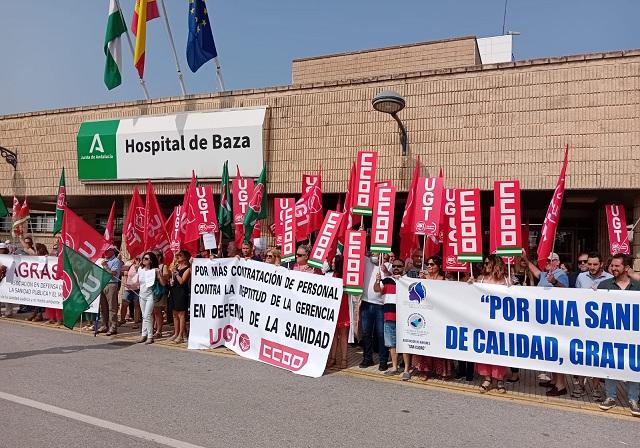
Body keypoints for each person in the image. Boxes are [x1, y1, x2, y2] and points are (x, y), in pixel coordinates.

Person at [597, 253, 640, 417]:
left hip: (633, 335)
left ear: (626, 268)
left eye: (617, 266)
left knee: (634, 364)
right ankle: (610, 396)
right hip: (610, 333)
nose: (613, 268)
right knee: (611, 364)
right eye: (612, 266)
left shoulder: (637, 285)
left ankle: (633, 399)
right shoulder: (604, 285)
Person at [525, 252, 570, 395]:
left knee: (557, 350)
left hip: (555, 317)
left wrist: (555, 282)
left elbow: (566, 291)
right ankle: (554, 380)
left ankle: (561, 385)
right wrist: (525, 259)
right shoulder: (545, 274)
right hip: (545, 317)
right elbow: (535, 271)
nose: (548, 263)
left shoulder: (560, 274)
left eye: (551, 260)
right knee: (551, 350)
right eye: (546, 260)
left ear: (557, 262)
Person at [571, 251, 612, 398]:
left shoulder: (610, 278)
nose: (592, 267)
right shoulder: (581, 277)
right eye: (589, 264)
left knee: (597, 356)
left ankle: (595, 387)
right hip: (583, 323)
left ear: (601, 264)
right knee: (581, 354)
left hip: (600, 324)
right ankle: (580, 385)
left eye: (595, 264)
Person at [472, 255, 510, 393]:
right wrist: (471, 285)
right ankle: (487, 378)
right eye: (485, 263)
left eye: (488, 263)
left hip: (501, 322)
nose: (485, 265)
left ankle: (500, 379)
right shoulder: (480, 279)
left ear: (496, 264)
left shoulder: (507, 280)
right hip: (483, 321)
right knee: (484, 348)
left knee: (500, 349)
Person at [414, 255, 454, 379]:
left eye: (432, 264)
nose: (429, 267)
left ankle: (442, 370)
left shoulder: (444, 280)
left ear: (439, 266)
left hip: (439, 316)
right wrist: (420, 280)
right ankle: (425, 370)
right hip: (425, 315)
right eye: (428, 264)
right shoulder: (422, 278)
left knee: (439, 343)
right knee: (426, 342)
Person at [375, 260, 407, 378]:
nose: (396, 268)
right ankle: (394, 367)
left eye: (399, 266)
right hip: (389, 316)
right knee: (391, 344)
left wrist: (403, 279)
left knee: (405, 343)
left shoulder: (407, 280)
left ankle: (407, 369)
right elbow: (376, 289)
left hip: (403, 318)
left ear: (403, 267)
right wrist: (378, 280)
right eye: (394, 266)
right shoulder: (387, 280)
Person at [359, 253, 389, 371]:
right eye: (372, 250)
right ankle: (367, 358)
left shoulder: (387, 265)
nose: (373, 253)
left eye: (376, 251)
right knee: (366, 333)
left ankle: (383, 360)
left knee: (381, 334)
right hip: (366, 302)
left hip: (381, 305)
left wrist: (386, 271)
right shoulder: (366, 261)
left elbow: (391, 278)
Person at [326, 255, 350, 369]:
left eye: (334, 262)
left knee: (343, 335)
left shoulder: (346, 277)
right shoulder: (330, 275)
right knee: (334, 335)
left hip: (343, 306)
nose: (332, 264)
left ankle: (344, 359)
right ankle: (333, 358)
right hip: (333, 307)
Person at [137, 252, 165, 344]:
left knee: (147, 315)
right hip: (142, 295)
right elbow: (137, 281)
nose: (144, 260)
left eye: (146, 258)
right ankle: (143, 335)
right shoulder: (140, 269)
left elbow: (163, 283)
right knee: (143, 315)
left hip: (150, 295)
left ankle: (150, 336)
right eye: (144, 258)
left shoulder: (154, 270)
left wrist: (159, 274)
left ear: (151, 261)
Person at [97, 246, 124, 336]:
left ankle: (113, 327)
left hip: (111, 284)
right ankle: (104, 325)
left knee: (112, 307)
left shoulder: (116, 261)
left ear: (112, 251)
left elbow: (113, 274)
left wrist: (105, 266)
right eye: (104, 251)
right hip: (102, 284)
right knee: (103, 307)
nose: (105, 253)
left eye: (107, 251)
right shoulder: (103, 260)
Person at [168, 250, 191, 344]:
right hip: (174, 290)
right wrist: (171, 280)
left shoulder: (188, 269)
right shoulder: (176, 266)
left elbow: (182, 281)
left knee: (181, 314)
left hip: (182, 292)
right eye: (177, 255)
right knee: (174, 313)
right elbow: (173, 279)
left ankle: (181, 335)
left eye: (180, 255)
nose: (178, 257)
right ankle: (176, 333)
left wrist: (176, 273)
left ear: (185, 257)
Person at [152, 252, 170, 339]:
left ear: (159, 257)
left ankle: (159, 331)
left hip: (159, 291)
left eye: (155, 256)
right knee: (151, 312)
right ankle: (151, 329)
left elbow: (165, 282)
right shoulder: (150, 267)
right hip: (151, 291)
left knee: (157, 311)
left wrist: (159, 274)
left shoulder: (164, 266)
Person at [120, 256, 142, 328]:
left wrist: (138, 267)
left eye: (139, 259)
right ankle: (122, 319)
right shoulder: (130, 264)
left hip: (137, 288)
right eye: (136, 258)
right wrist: (129, 264)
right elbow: (122, 270)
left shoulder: (142, 267)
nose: (137, 260)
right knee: (124, 303)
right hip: (128, 288)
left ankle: (136, 322)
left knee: (136, 305)